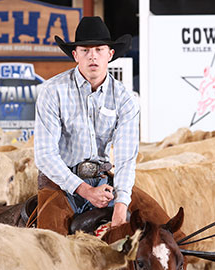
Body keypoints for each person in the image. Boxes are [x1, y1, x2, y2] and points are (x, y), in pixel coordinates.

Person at [34, 16, 140, 235]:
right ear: (75, 55)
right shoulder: (52, 91)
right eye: (85, 50)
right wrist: (85, 190)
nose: (93, 56)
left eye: (99, 50)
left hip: (103, 181)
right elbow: (45, 155)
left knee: (148, 229)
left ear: (110, 54)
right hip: (58, 182)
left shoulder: (125, 99)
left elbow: (126, 158)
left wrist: (121, 204)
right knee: (50, 241)